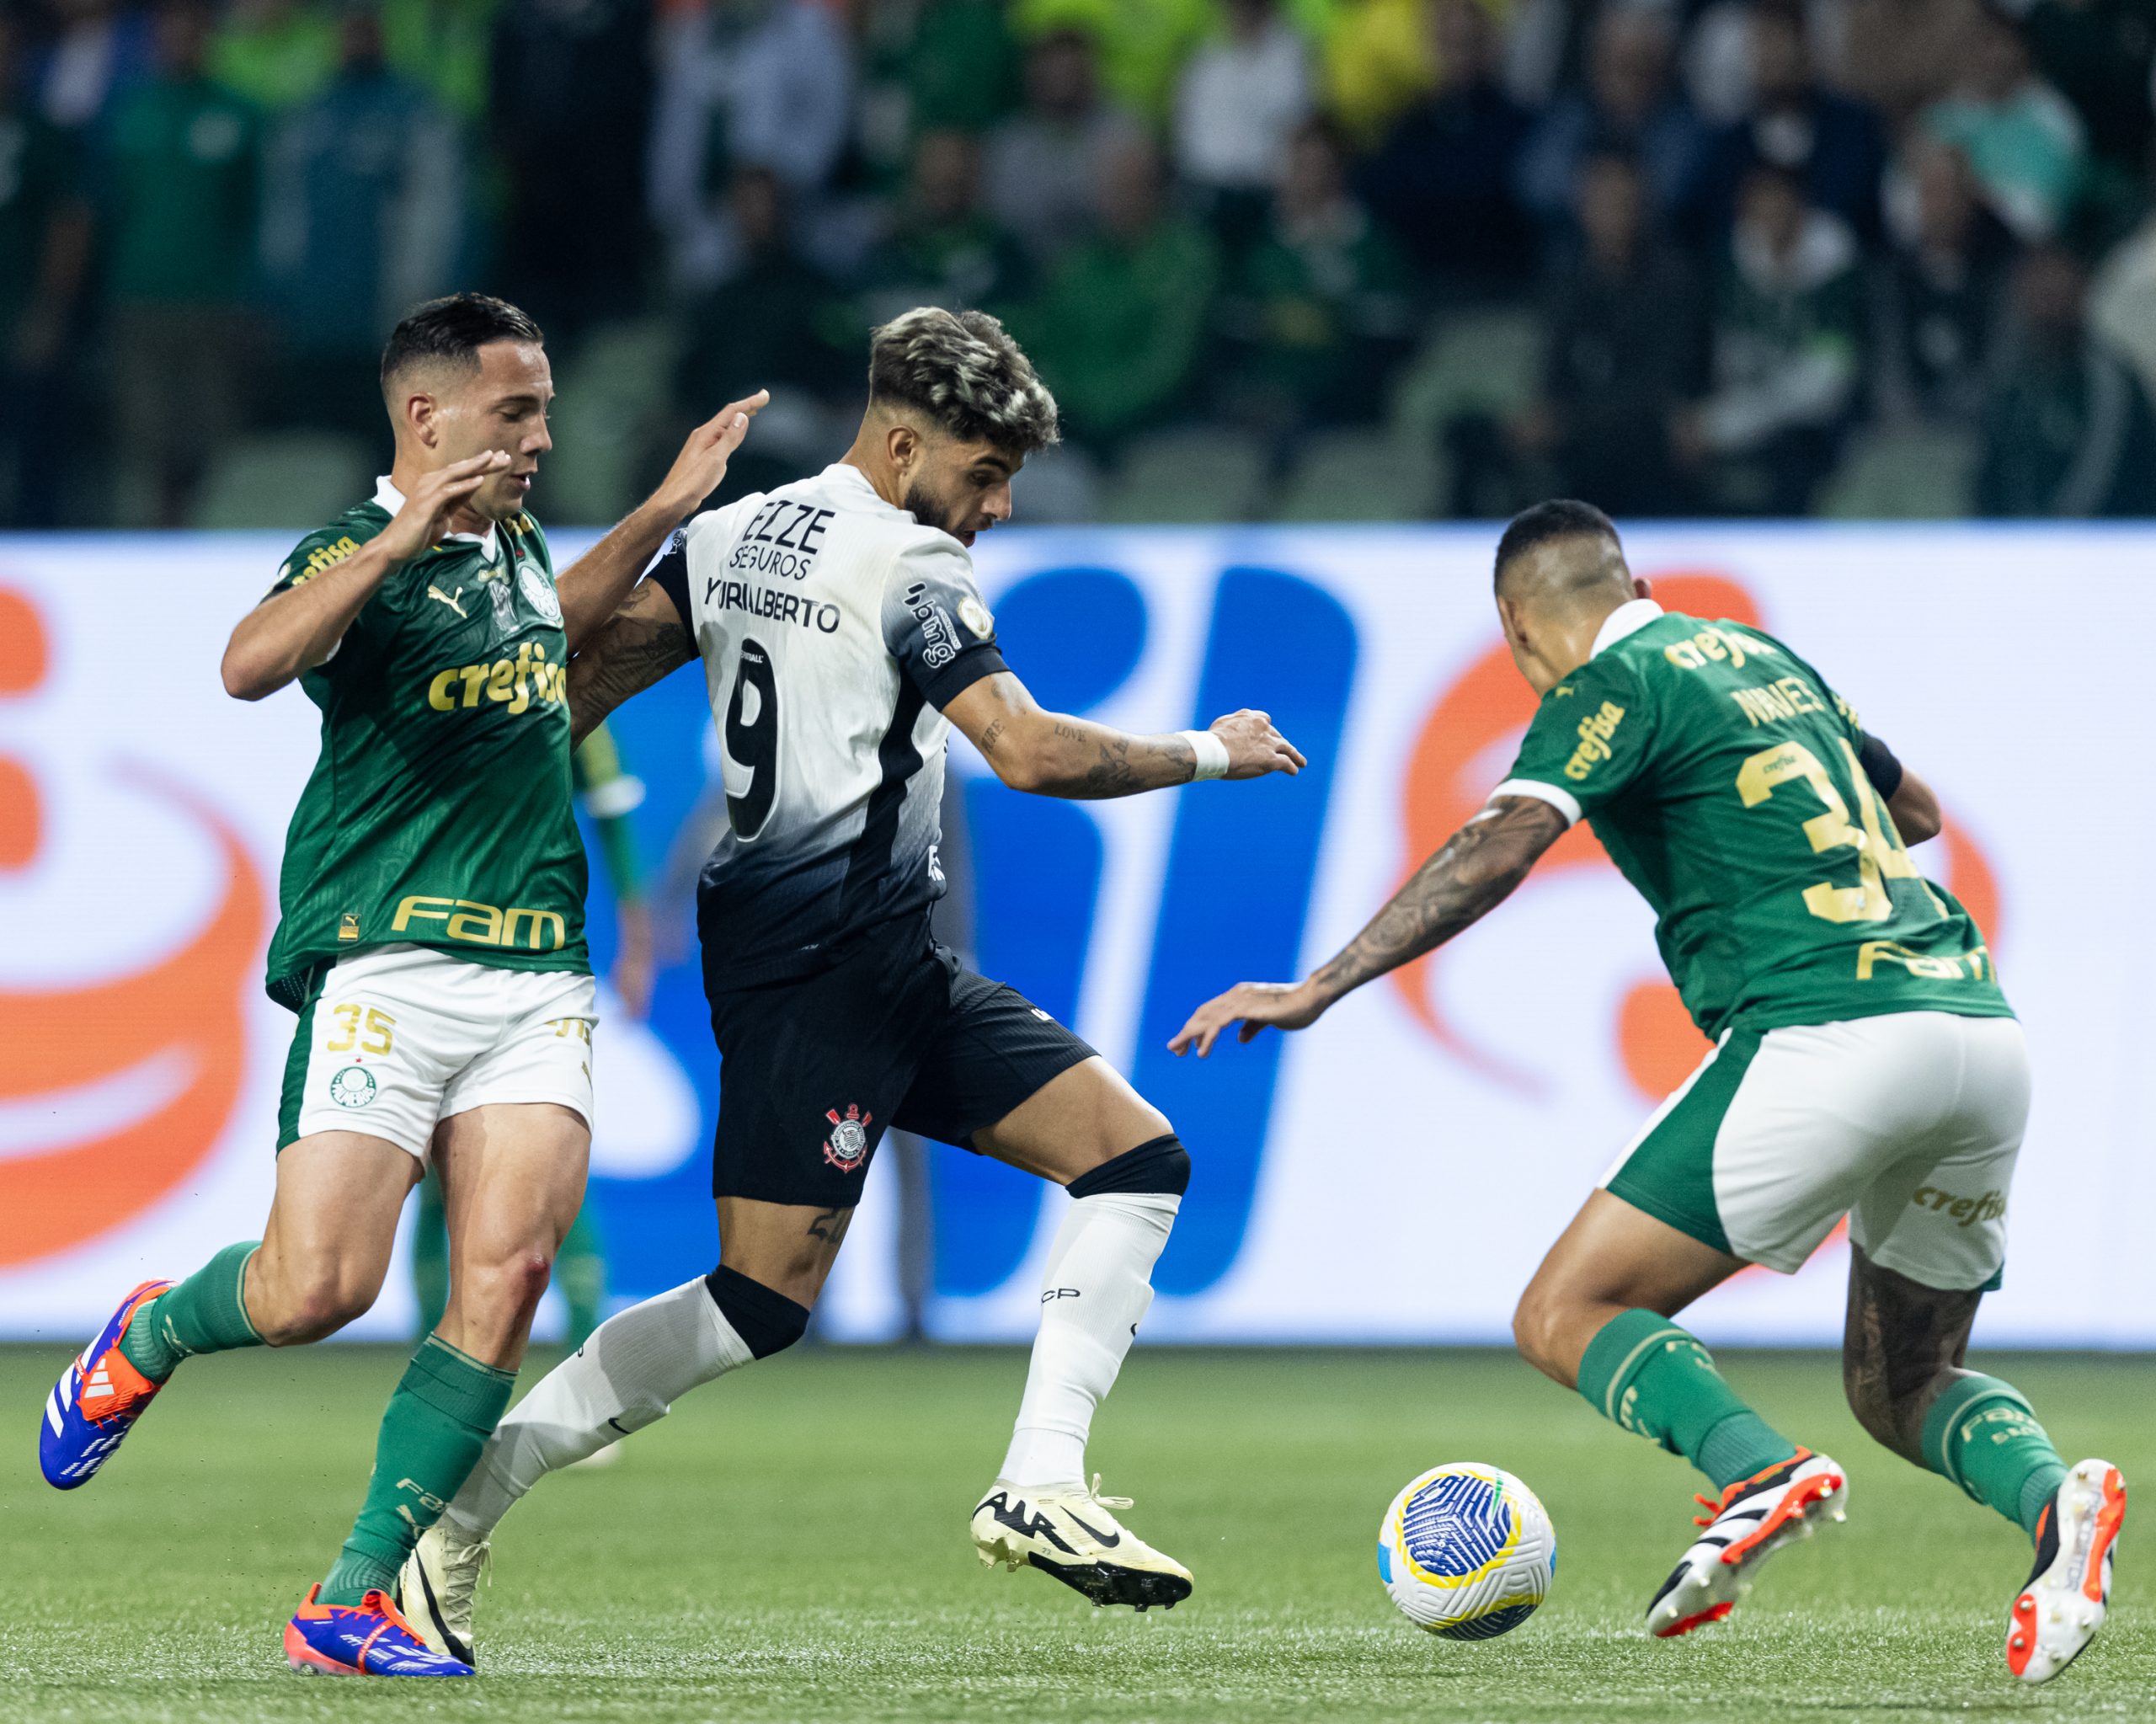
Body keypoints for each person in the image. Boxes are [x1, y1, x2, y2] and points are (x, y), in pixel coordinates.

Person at [394, 307, 1305, 1665]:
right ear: (900, 441)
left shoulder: (733, 534)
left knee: (1135, 1159)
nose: (995, 506)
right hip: (813, 971)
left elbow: (569, 689)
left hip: (880, 955)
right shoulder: (917, 566)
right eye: (983, 474)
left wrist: (430, 795)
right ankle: (456, 1514)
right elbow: (1034, 753)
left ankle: (1040, 1482)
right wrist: (1211, 751)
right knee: (756, 1303)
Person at [1172, 500, 2124, 1685]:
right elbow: (1917, 815)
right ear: (1633, 579)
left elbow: (1503, 845)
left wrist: (1320, 983)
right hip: (1979, 1029)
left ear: (1518, 625)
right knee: (1906, 1380)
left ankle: (1756, 1469)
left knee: (1565, 1310)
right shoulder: (1760, 655)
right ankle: (2057, 1506)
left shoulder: (1602, 687)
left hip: (1829, 1029)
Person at [38, 291, 766, 1679]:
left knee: (510, 1272)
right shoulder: (347, 551)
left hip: (534, 967)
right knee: (316, 1288)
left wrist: (674, 503)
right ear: (429, 420)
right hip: (385, 957)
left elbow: (553, 632)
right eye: (519, 410)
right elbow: (249, 665)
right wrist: (392, 538)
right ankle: (147, 1332)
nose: (545, 433)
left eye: (548, 405)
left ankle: (355, 1590)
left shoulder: (521, 555)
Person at [410, 721, 657, 1351]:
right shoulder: (440, 678)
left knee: (553, 1156)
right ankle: (426, 1366)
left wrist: (637, 936)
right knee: (437, 1166)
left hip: (536, 962)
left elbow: (610, 807)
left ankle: (584, 1359)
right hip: (432, 957)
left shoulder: (572, 694)